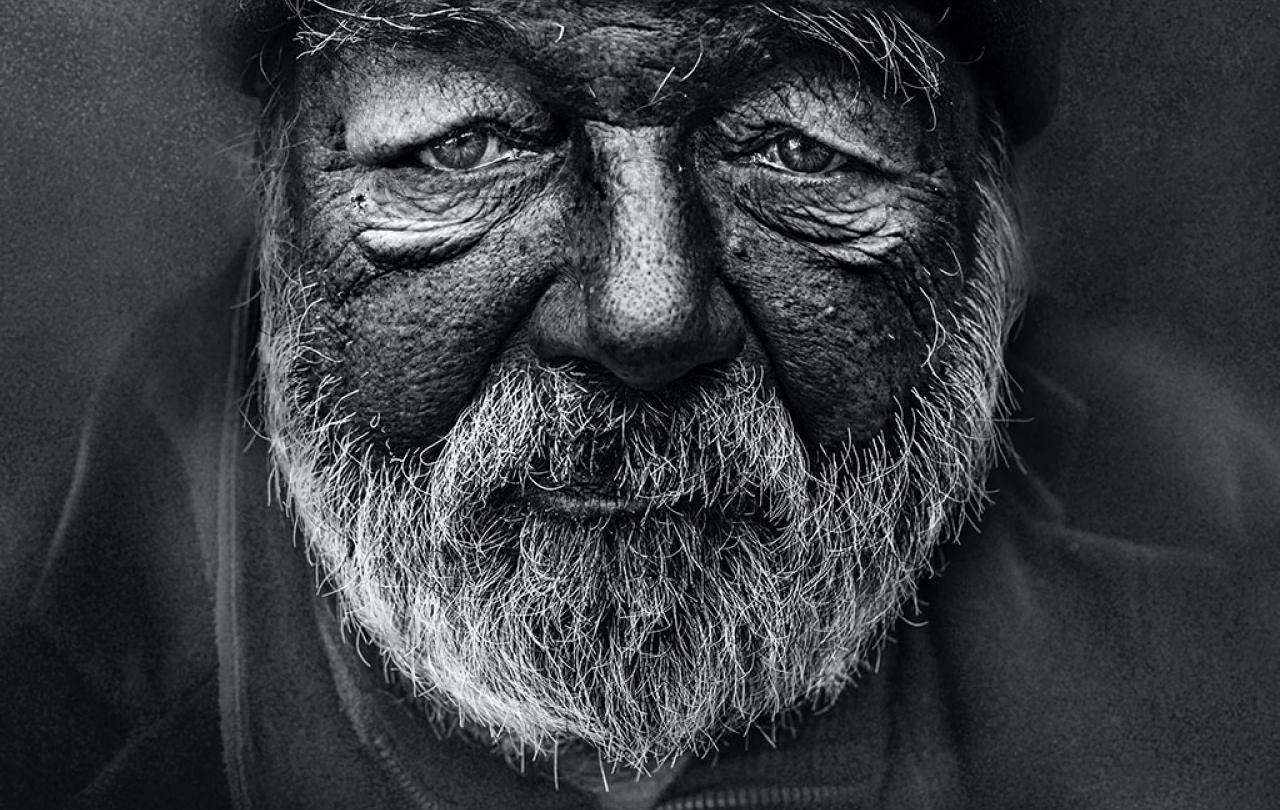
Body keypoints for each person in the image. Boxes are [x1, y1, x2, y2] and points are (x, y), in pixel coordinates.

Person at [3, 1, 1279, 807]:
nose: (648, 309)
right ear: (278, 215)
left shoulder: (1223, 621)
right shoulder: (62, 702)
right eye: (465, 139)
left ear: (983, 244)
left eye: (801, 146)